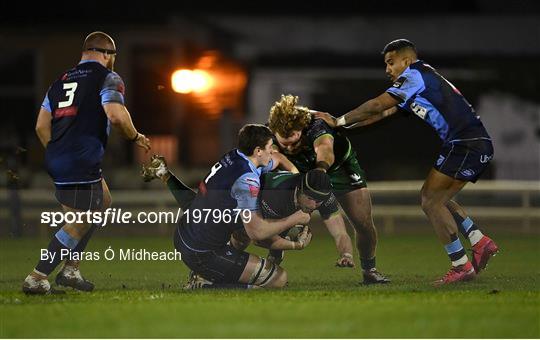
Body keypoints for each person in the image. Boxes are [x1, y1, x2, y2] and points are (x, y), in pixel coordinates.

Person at [314, 38, 498, 285]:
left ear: (407, 60)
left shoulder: (414, 76)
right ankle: (479, 241)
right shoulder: (419, 81)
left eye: (391, 63)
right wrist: (341, 124)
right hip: (470, 143)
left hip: (466, 143)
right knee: (439, 200)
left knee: (430, 201)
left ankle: (461, 265)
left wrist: (339, 121)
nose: (387, 69)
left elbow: (378, 104)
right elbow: (382, 112)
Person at [23, 31, 151, 294]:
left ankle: (71, 269)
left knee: (101, 201)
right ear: (107, 54)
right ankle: (38, 275)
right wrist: (135, 136)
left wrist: (59, 151)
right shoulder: (108, 77)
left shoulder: (60, 81)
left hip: (58, 157)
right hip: (81, 157)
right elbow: (115, 116)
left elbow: (40, 126)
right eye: (113, 56)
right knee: (84, 218)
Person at [144, 124, 312, 289]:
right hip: (202, 253)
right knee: (278, 279)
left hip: (186, 234)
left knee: (240, 229)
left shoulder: (236, 156)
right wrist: (294, 227)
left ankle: (217, 269)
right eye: (269, 147)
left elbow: (279, 159)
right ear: (258, 151)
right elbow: (258, 233)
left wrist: (295, 179)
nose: (272, 151)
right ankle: (204, 283)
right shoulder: (247, 180)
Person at [268, 95, 390, 284]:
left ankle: (369, 270)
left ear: (301, 129)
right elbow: (272, 157)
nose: (291, 148)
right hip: (301, 169)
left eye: (295, 142)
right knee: (277, 210)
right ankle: (273, 259)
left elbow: (325, 148)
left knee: (363, 223)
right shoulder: (268, 131)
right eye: (286, 144)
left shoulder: (315, 124)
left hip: (339, 167)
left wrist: (321, 169)